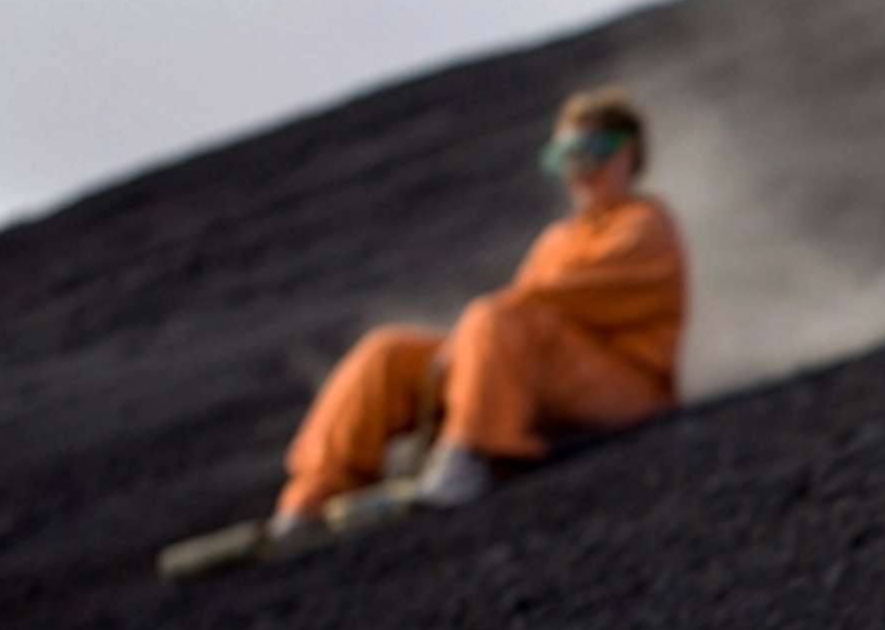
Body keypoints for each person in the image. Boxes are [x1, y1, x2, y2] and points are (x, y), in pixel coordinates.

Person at [270, 86, 687, 533]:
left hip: (625, 389)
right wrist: (475, 344)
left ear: (628, 154)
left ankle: (465, 460)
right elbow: (523, 318)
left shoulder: (646, 226)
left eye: (590, 153)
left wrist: (482, 334)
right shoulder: (557, 240)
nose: (577, 171)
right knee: (386, 352)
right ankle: (312, 496)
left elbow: (564, 301)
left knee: (491, 318)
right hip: (543, 379)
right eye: (563, 156)